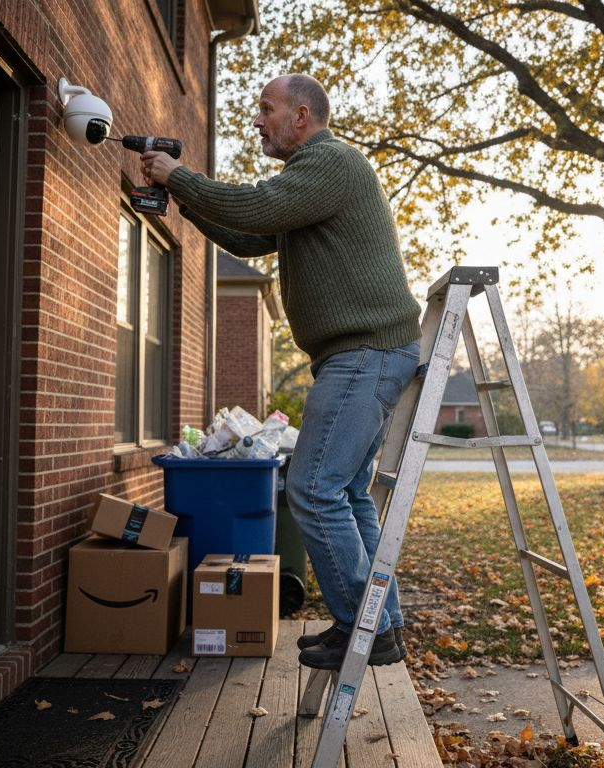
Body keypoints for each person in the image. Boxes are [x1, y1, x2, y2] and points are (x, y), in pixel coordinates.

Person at [141, 74, 421, 670]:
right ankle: (382, 623)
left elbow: (259, 205)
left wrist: (178, 176)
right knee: (346, 492)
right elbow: (249, 234)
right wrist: (184, 199)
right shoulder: (310, 181)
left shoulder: (331, 163)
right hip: (366, 354)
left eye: (266, 109)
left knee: (312, 489)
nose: (258, 120)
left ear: (302, 116)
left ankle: (358, 627)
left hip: (364, 352)